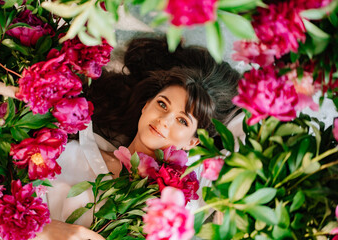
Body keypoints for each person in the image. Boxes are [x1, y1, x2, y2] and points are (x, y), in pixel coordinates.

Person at [34, 37, 241, 240]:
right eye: (162, 104)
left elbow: (253, 138)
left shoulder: (191, 195)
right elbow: (10, 221)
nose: (165, 121)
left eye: (182, 121)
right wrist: (53, 231)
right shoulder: (66, 154)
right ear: (146, 105)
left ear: (193, 142)